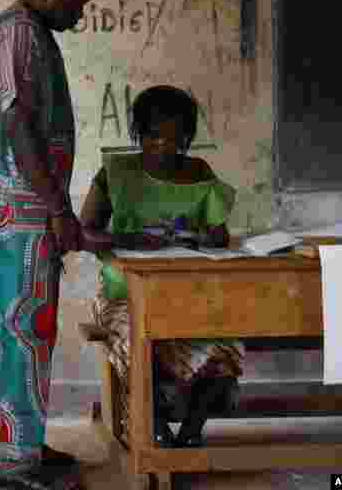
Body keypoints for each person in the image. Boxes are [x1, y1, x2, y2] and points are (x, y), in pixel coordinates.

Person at [0, 0, 99, 489]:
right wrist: (60, 210)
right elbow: (17, 125)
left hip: (28, 208)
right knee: (22, 327)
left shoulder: (32, 33)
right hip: (23, 209)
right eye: (78, 3)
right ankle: (16, 466)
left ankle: (23, 441)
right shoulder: (18, 33)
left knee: (28, 328)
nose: (80, 16)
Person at [79, 85, 242, 448]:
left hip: (189, 292)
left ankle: (192, 430)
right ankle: (153, 426)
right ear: (139, 132)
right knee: (137, 337)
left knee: (225, 340)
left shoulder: (199, 171)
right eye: (154, 135)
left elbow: (220, 236)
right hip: (125, 293)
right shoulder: (116, 174)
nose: (164, 145)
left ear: (187, 136)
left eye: (175, 137)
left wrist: (200, 237)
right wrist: (128, 240)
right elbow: (83, 234)